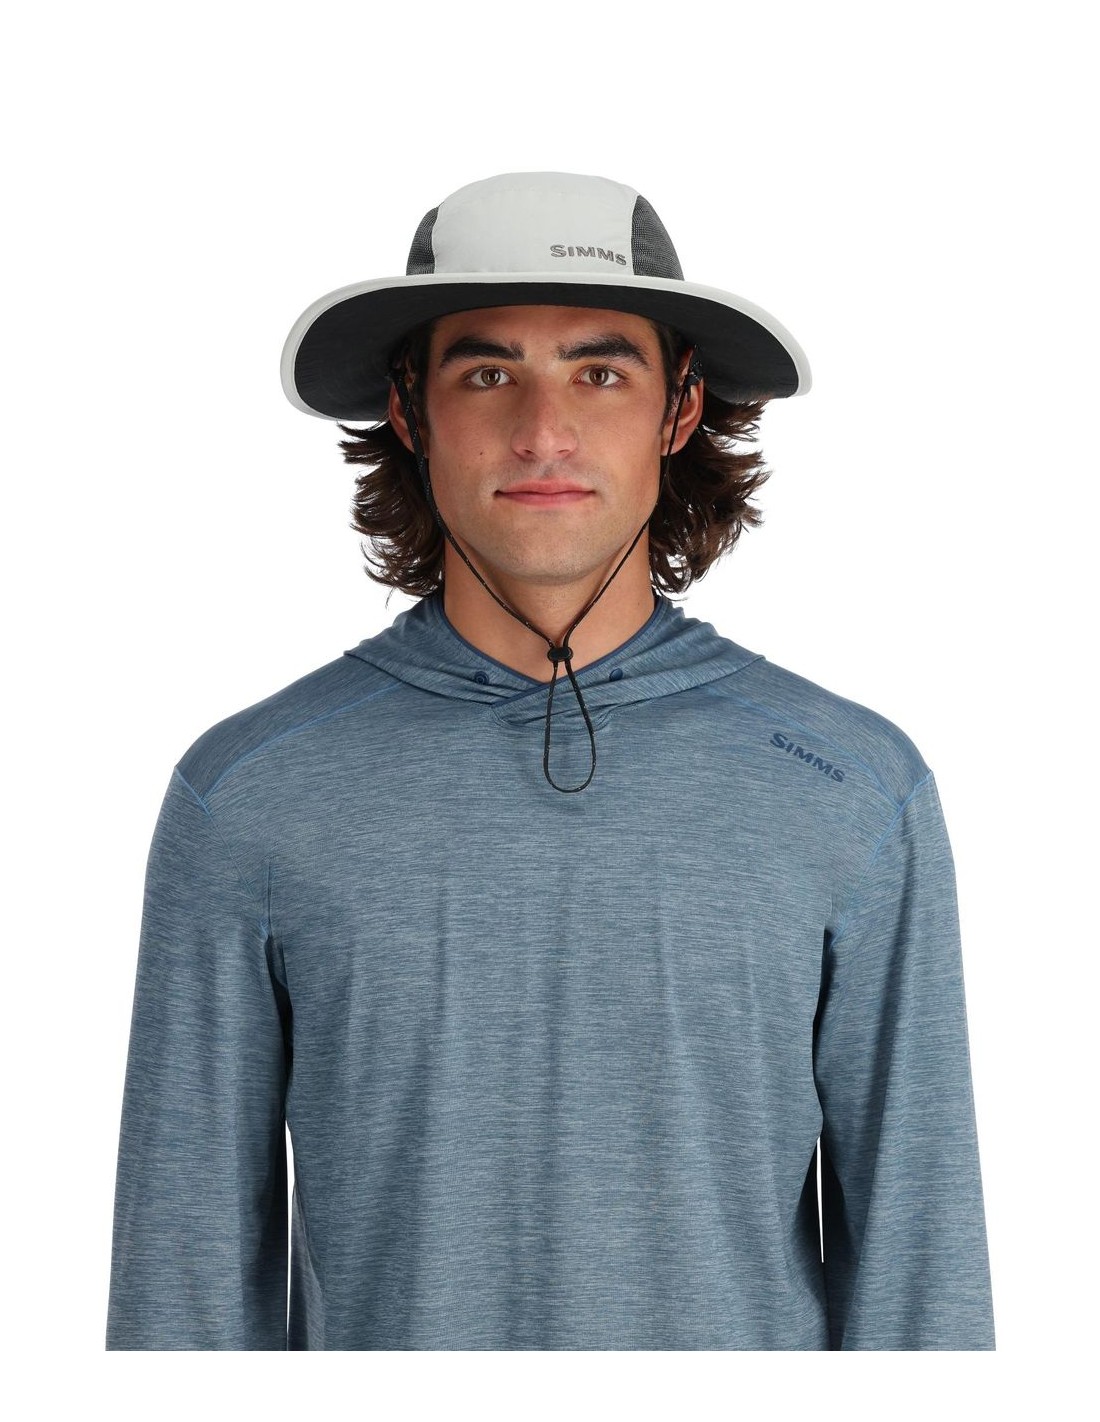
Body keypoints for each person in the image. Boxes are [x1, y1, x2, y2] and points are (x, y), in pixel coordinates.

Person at [105, 171, 996, 1350]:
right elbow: (180, 1294)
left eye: (598, 372)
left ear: (679, 408)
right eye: (487, 374)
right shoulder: (249, 795)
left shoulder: (851, 788)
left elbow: (922, 1284)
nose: (541, 431)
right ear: (409, 411)